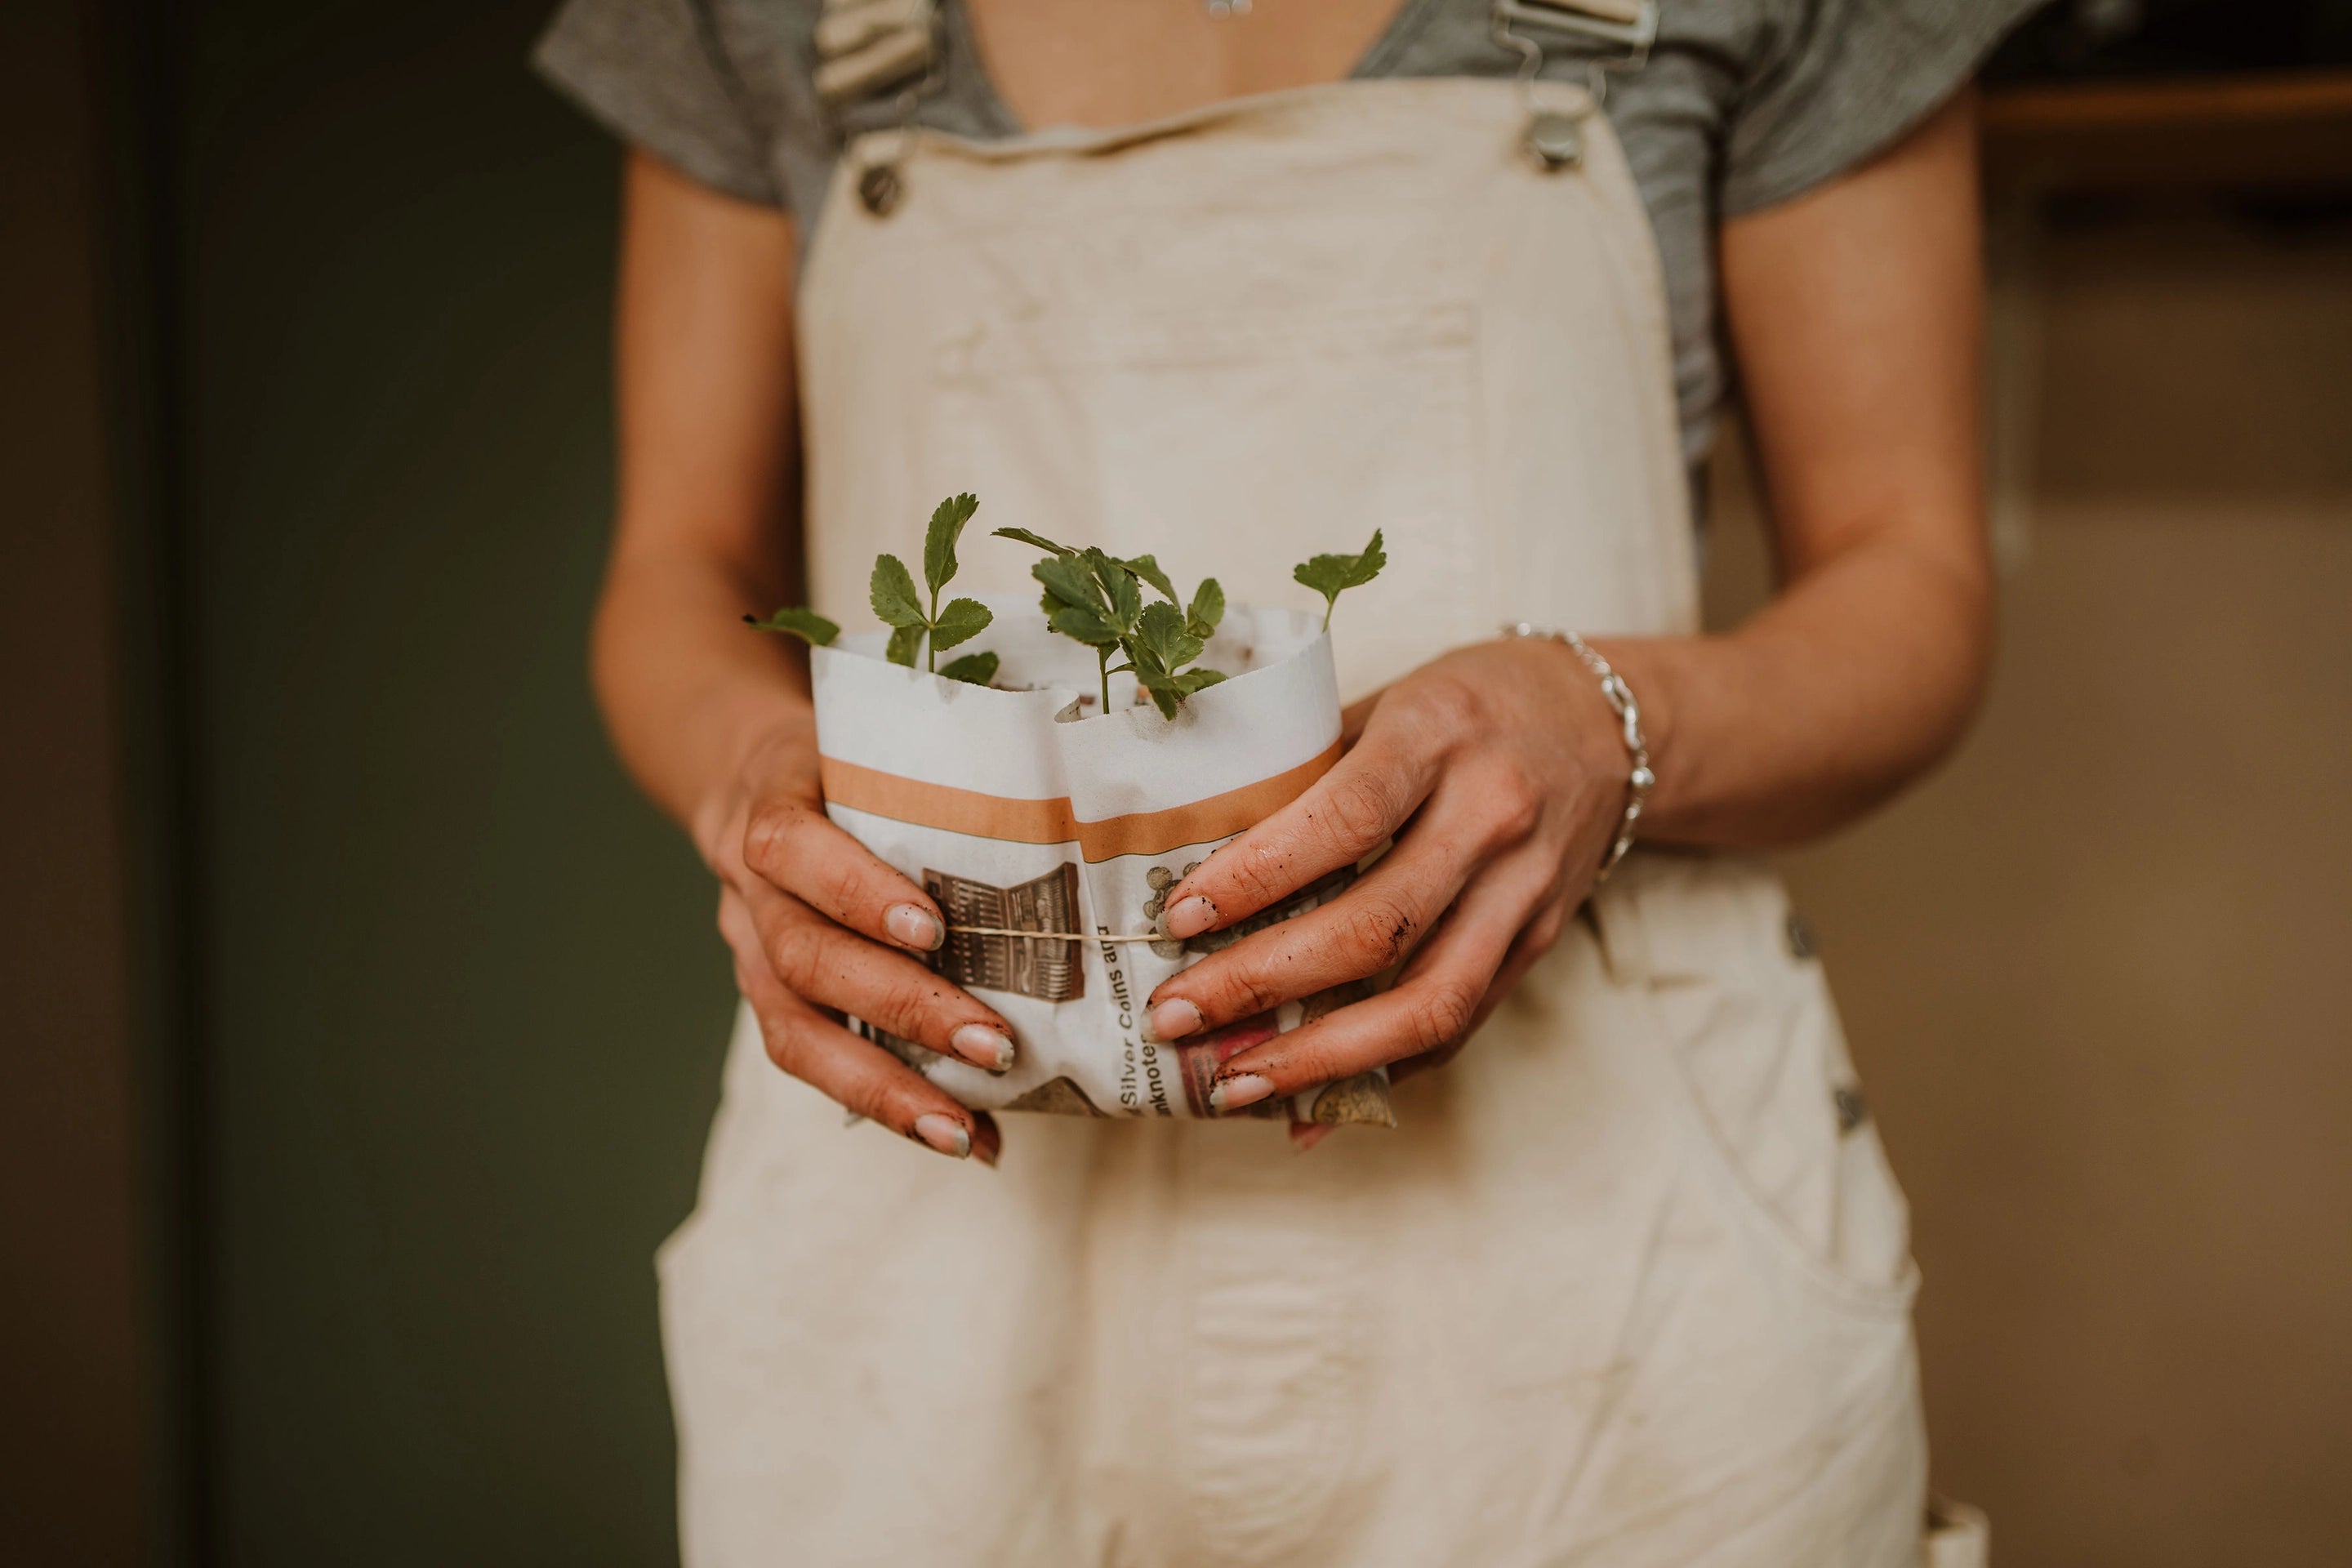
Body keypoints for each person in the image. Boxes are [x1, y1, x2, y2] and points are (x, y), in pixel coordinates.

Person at [537, 0, 2034, 1561]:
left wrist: (1604, 719)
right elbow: (677, 570)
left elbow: (1909, 580)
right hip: (930, 1291)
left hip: (1604, 1257)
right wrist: (751, 782)